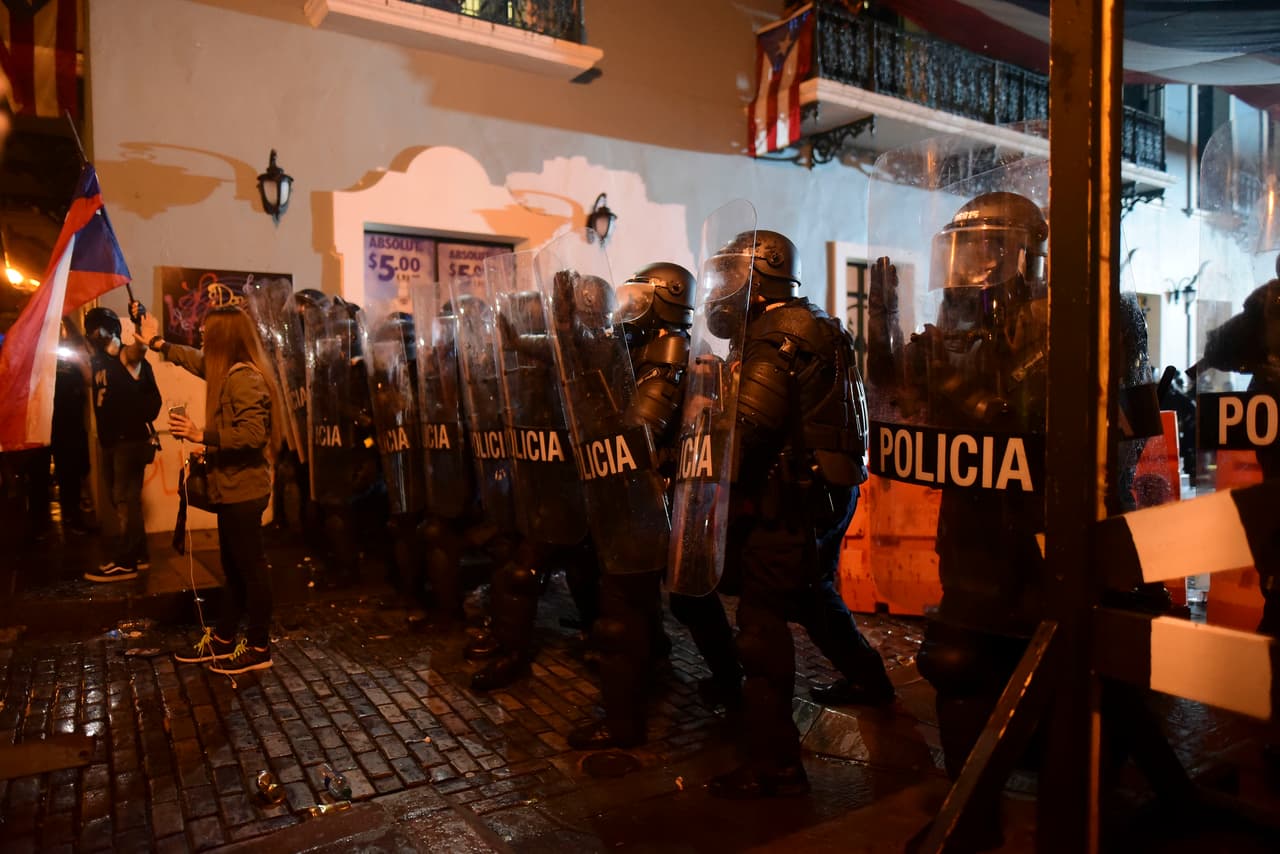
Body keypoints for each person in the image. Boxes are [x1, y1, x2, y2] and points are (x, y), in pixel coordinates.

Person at [705, 231, 893, 799]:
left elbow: (749, 431)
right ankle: (872, 682)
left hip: (787, 502)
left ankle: (775, 766)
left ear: (761, 277)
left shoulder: (776, 336)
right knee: (813, 596)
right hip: (824, 495)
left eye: (733, 276)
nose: (723, 289)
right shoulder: (814, 323)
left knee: (760, 625)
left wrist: (701, 453)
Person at [570, 261, 743, 749]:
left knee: (622, 613)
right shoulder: (644, 349)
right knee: (690, 601)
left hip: (652, 500)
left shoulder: (666, 355)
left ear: (665, 303)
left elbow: (639, 430)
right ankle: (731, 683)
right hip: (662, 500)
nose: (628, 310)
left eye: (639, 300)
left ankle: (623, 726)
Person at [143, 305, 283, 675]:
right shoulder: (226, 371)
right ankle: (223, 639)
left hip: (244, 491)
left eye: (208, 331)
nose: (202, 335)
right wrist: (158, 343)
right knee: (233, 569)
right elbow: (194, 359)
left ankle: (259, 646)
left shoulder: (244, 379)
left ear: (224, 337)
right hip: (231, 489)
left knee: (251, 571)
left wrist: (201, 435)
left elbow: (253, 434)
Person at [82, 305, 161, 582]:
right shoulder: (99, 362)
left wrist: (141, 326)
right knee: (125, 500)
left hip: (129, 441)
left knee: (125, 500)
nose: (94, 334)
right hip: (112, 442)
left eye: (97, 328)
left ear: (112, 329)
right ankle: (139, 555)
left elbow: (137, 352)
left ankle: (127, 562)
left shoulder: (126, 356)